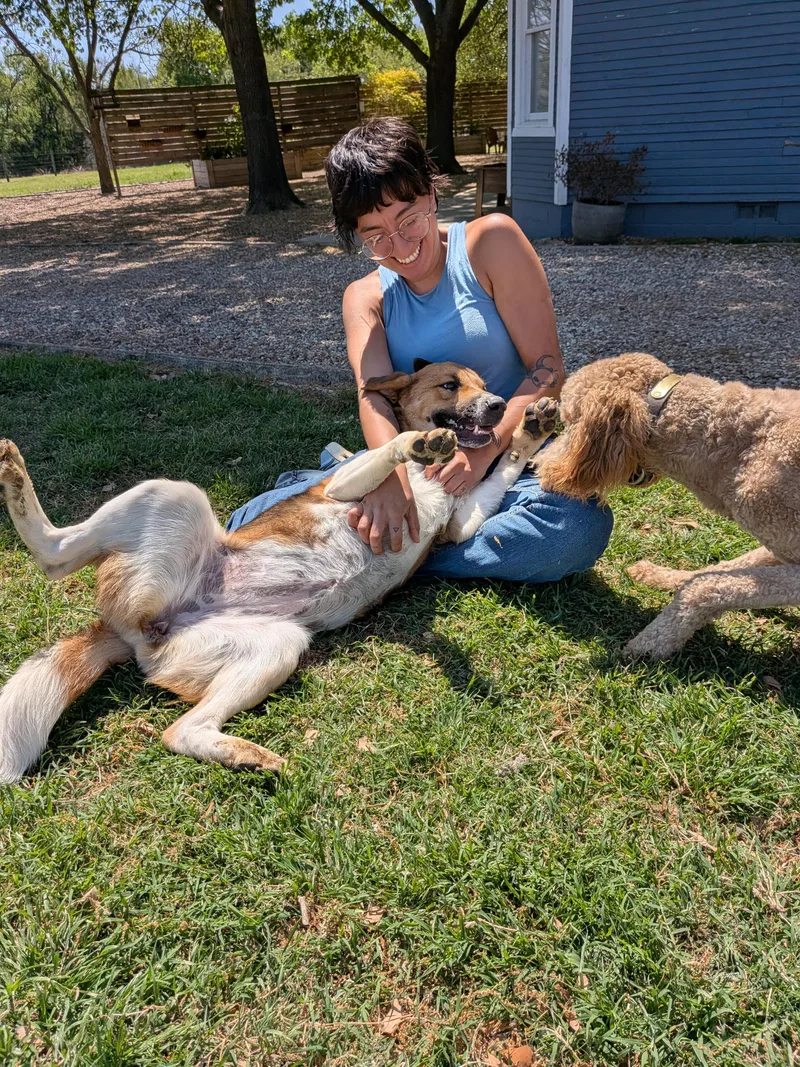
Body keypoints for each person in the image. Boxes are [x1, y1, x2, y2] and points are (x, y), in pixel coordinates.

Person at [227, 119, 612, 584]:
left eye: (409, 218)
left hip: (511, 455)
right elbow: (372, 393)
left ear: (431, 194)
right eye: (376, 235)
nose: (400, 246)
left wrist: (481, 453)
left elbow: (547, 370)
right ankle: (399, 533)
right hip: (412, 455)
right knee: (250, 518)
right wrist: (391, 480)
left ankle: (395, 560)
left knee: (575, 529)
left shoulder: (492, 242)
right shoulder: (364, 296)